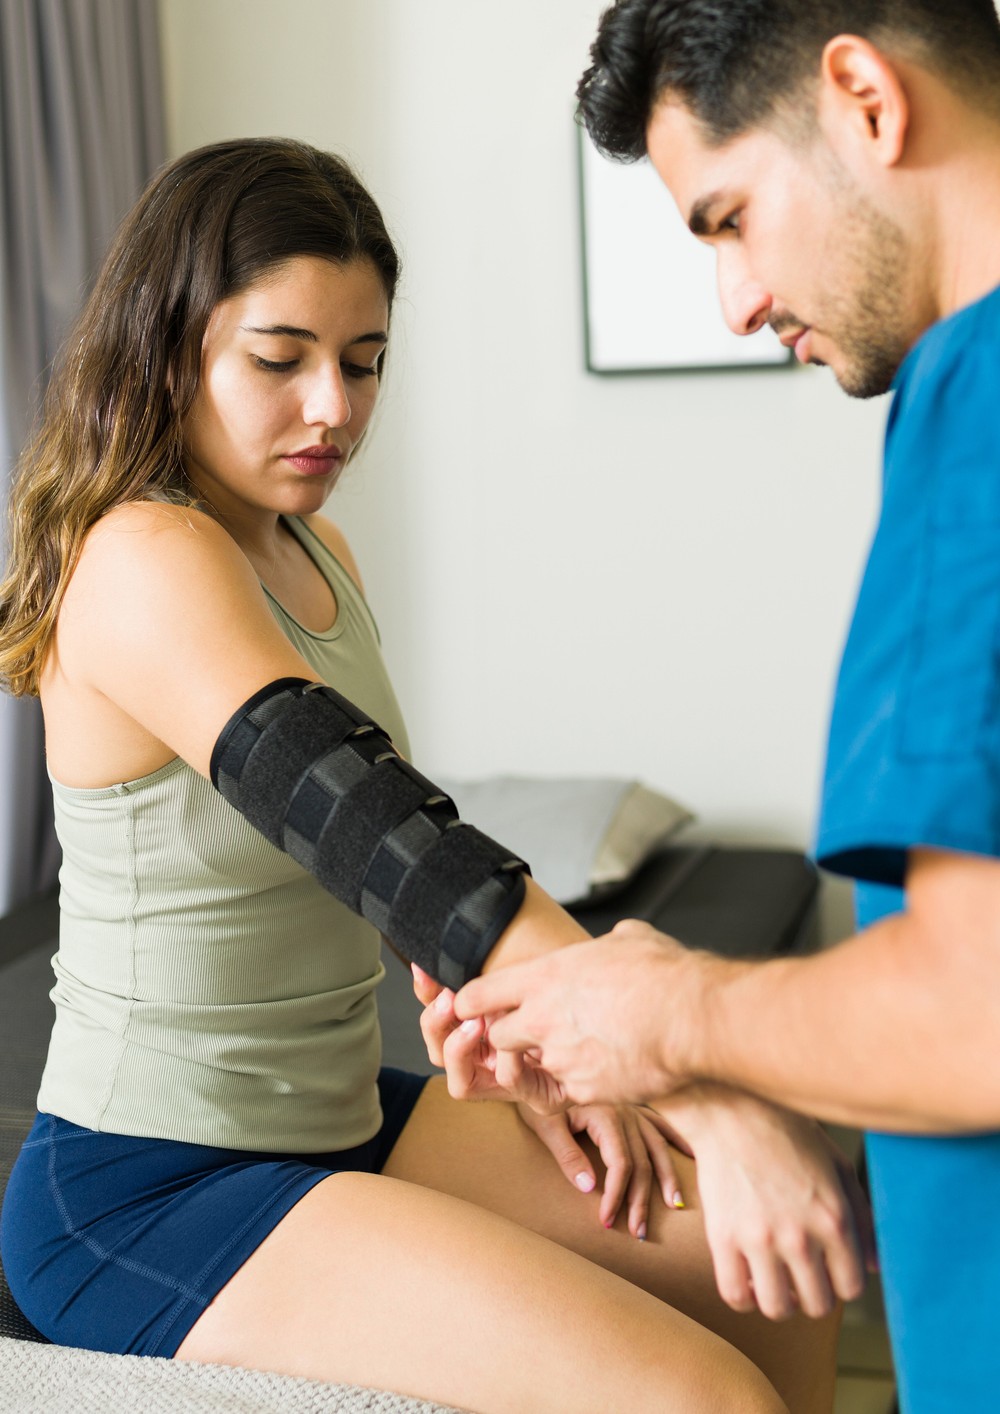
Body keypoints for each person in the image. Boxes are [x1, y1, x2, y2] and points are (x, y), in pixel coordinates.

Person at [0, 135, 865, 1414]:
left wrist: (511, 1026)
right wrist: (668, 1069)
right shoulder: (137, 555)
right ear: (168, 341)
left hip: (344, 1113)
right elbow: (372, 824)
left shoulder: (313, 547)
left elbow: (344, 853)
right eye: (278, 360)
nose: (332, 410)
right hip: (154, 1185)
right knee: (696, 1396)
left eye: (362, 363)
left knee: (764, 1272)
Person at [451, 3, 1000, 1409]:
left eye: (728, 218)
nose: (738, 301)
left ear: (867, 100)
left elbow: (975, 1015)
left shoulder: (975, 412)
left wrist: (678, 1014)